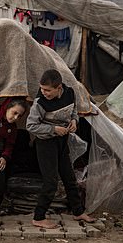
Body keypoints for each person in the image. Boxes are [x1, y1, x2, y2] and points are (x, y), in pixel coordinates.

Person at [26, 69, 96, 229]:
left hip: (62, 142)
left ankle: (78, 211)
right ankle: (38, 217)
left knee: (69, 178)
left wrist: (74, 121)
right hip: (45, 144)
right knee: (50, 182)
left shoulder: (70, 93)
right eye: (42, 89)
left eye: (47, 90)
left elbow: (73, 111)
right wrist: (53, 130)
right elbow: (30, 126)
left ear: (59, 88)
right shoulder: (40, 103)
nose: (44, 93)